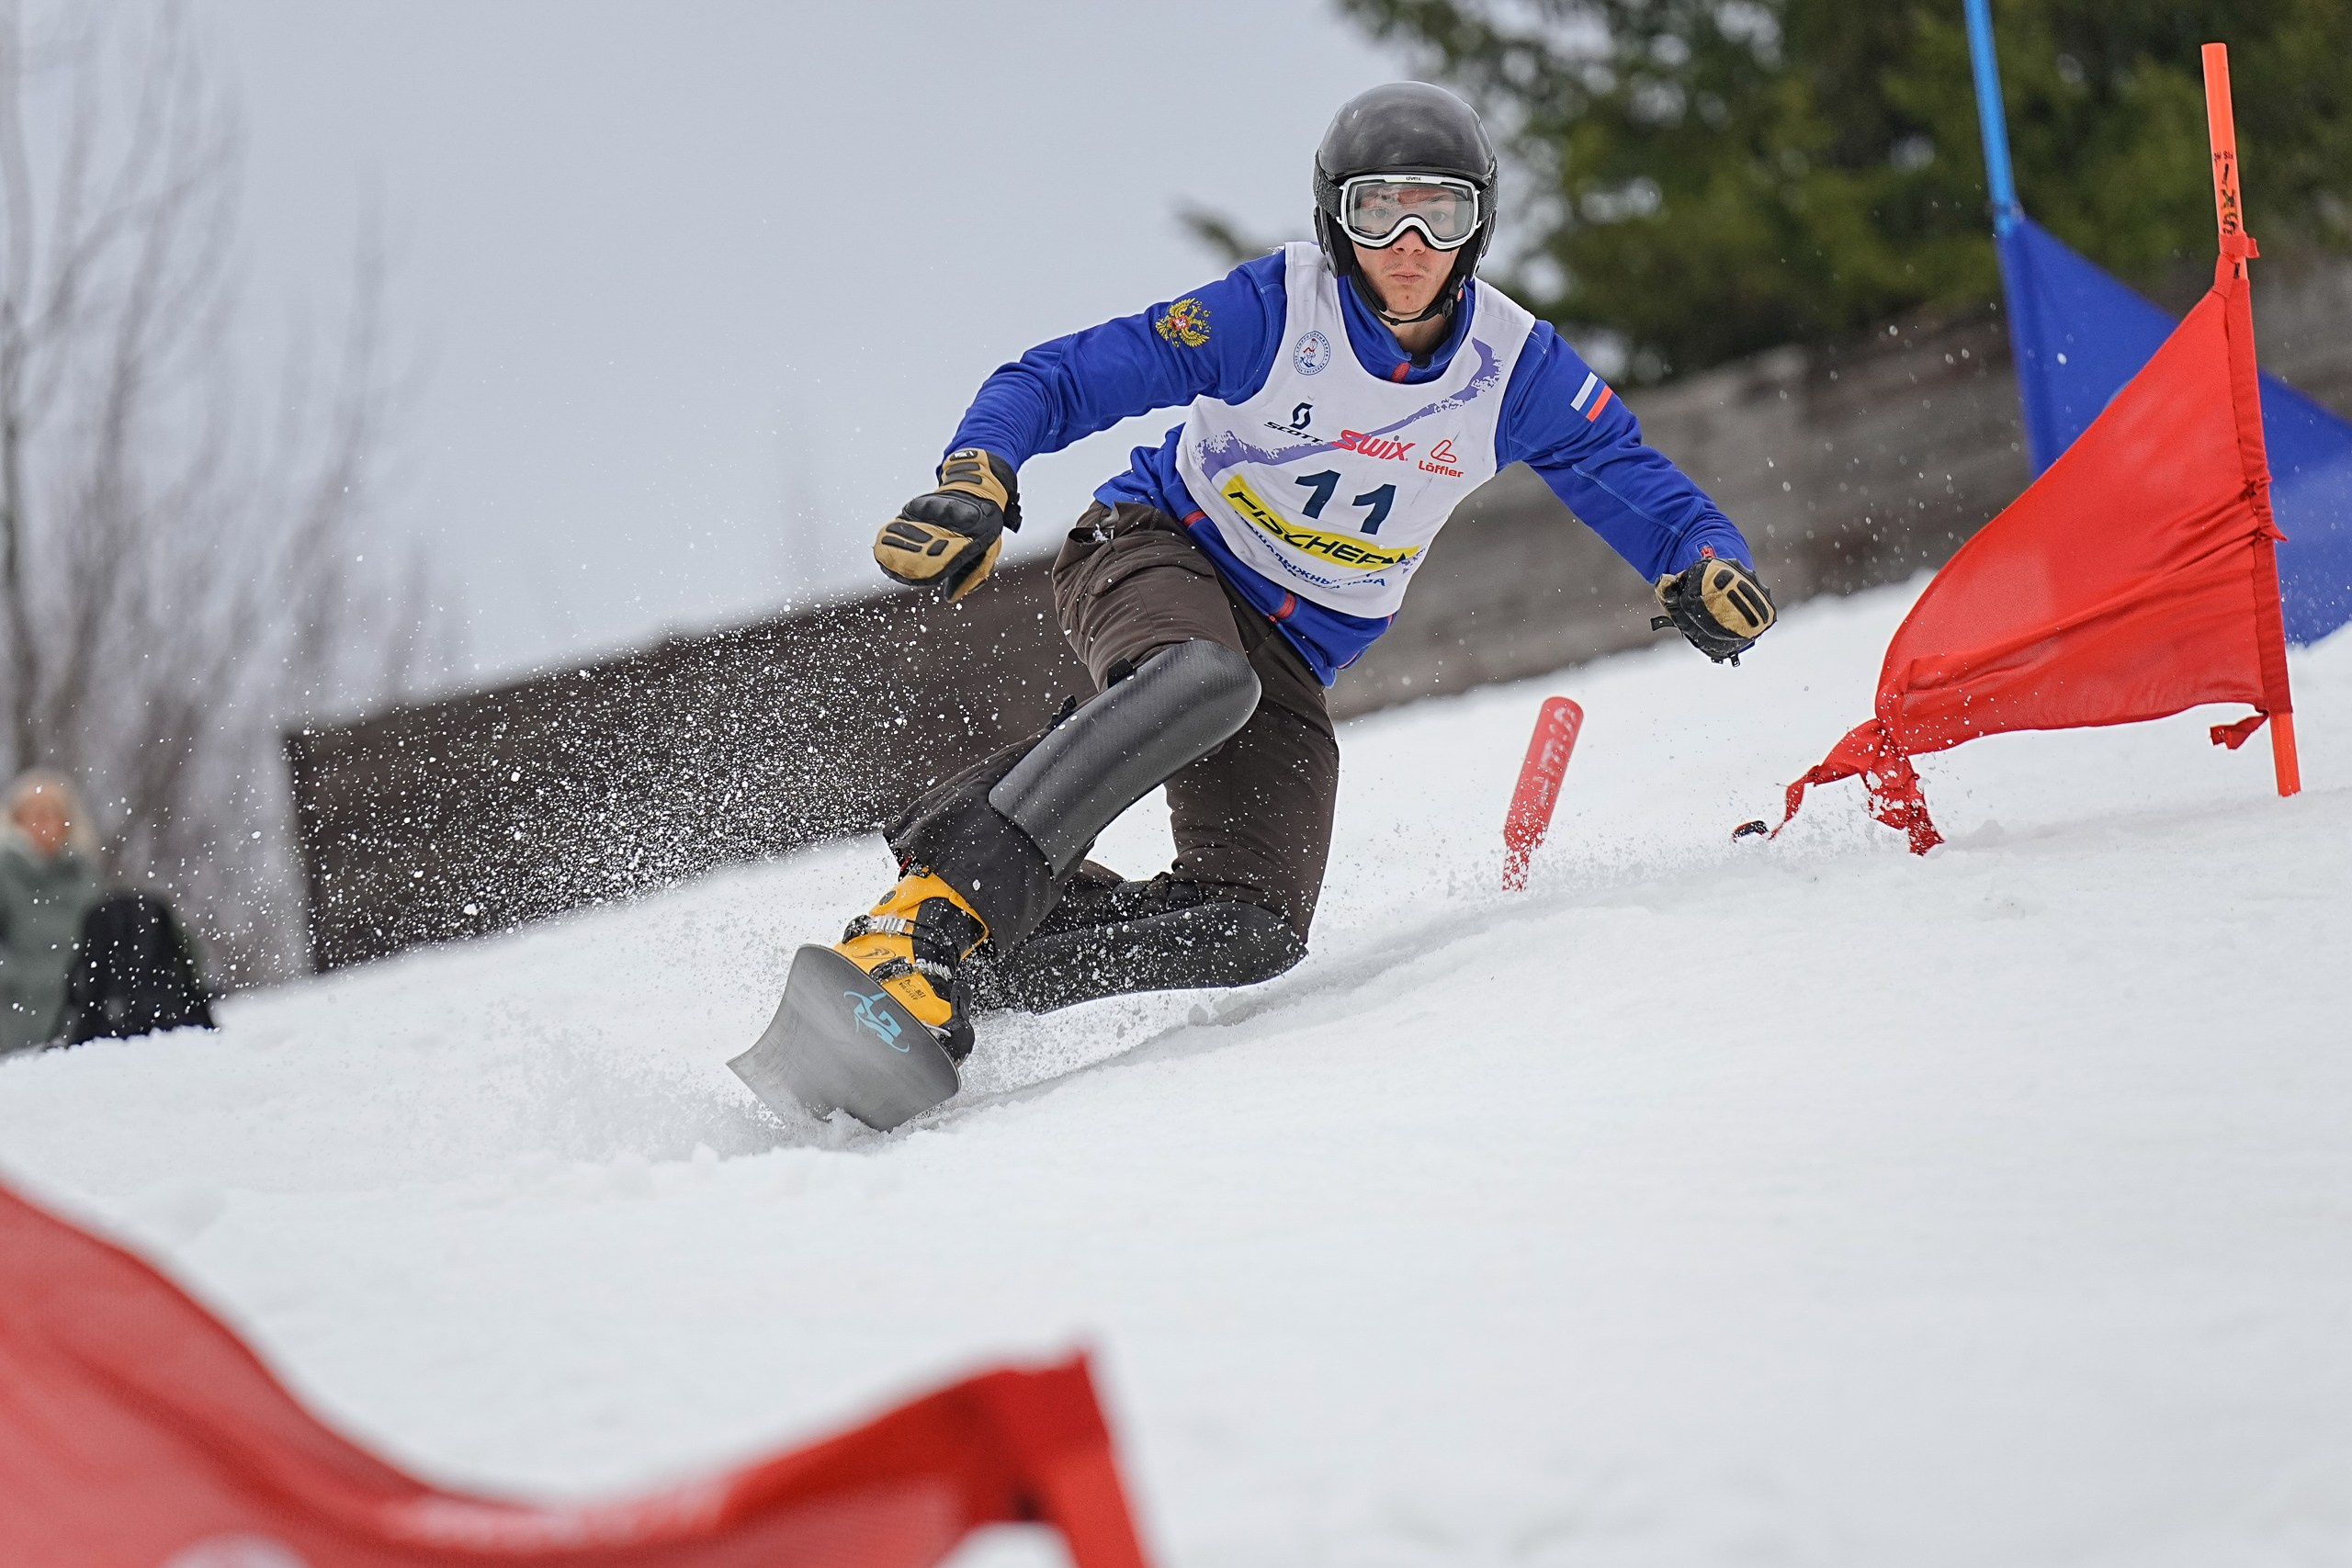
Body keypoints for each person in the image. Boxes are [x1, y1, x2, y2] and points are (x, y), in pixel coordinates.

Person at [834, 83, 1778, 1060]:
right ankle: (924, 918)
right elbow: (1061, 377)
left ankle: (973, 970)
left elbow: (1624, 472)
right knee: (1198, 681)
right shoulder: (1274, 312)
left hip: (1290, 644)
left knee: (1254, 924)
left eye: (1440, 211)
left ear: (1478, 226)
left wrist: (1707, 563)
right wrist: (979, 472)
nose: (1409, 243)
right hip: (1157, 542)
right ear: (1336, 215)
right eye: (1378, 209)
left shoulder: (1513, 369)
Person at [0, 770, 104, 1055]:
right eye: (33, 813)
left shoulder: (85, 875)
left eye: (51, 813)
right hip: (13, 1013)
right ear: (17, 820)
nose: (42, 822)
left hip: (75, 1013)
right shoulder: (4, 872)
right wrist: (15, 977)